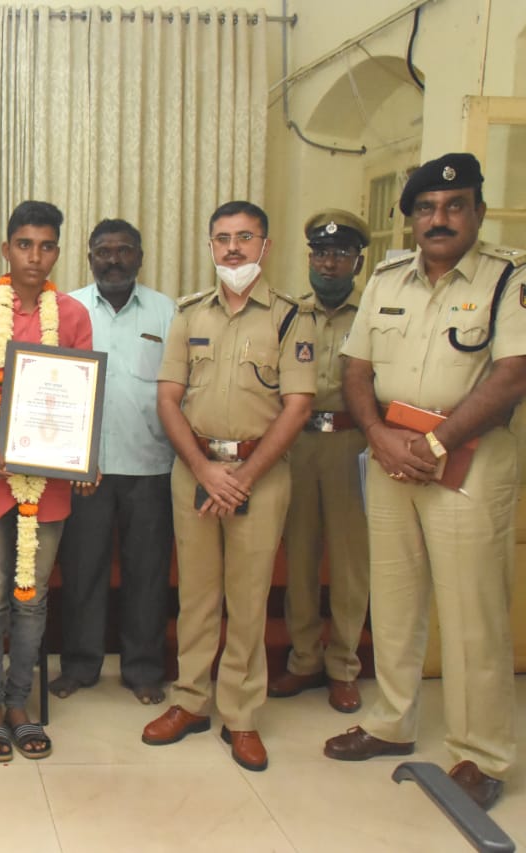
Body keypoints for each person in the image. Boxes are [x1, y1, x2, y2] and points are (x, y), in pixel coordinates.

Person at [324, 153, 526, 810]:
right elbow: (356, 370)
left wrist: (437, 442)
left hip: (469, 460)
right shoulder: (385, 279)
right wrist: (381, 436)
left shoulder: (509, 279)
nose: (439, 218)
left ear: (478, 211)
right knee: (395, 594)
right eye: (426, 209)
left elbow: (512, 374)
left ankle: (483, 751)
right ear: (410, 218)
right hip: (390, 456)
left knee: (473, 611)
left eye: (454, 205)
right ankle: (394, 719)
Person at [141, 200, 315, 773]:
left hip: (259, 476)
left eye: (245, 238)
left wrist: (241, 477)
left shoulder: (291, 318)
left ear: (265, 246)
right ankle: (190, 700)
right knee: (196, 595)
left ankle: (241, 715)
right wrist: (205, 469)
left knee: (247, 598)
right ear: (210, 246)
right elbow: (168, 399)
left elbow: (297, 407)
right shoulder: (190, 314)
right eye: (222, 239)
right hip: (196, 470)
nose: (233, 248)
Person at [0, 200, 94, 762]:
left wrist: (83, 455)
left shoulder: (73, 316)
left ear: (58, 251)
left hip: (47, 484)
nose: (36, 256)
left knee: (31, 601)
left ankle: (19, 704)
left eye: (47, 245)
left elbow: (81, 396)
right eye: (25, 244)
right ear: (6, 249)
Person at [51, 219, 176, 705]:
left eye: (124, 250)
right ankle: (80, 666)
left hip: (151, 465)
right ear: (88, 258)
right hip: (86, 469)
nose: (114, 259)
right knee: (82, 572)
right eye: (103, 251)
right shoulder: (68, 310)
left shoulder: (167, 313)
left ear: (140, 257)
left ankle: (144, 670)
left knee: (147, 574)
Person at [268, 209, 371, 714]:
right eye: (322, 254)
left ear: (357, 261)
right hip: (299, 443)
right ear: (310, 258)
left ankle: (344, 666)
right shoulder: (291, 312)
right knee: (302, 556)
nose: (329, 264)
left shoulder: (375, 311)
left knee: (352, 562)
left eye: (341, 255)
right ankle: (304, 659)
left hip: (352, 444)